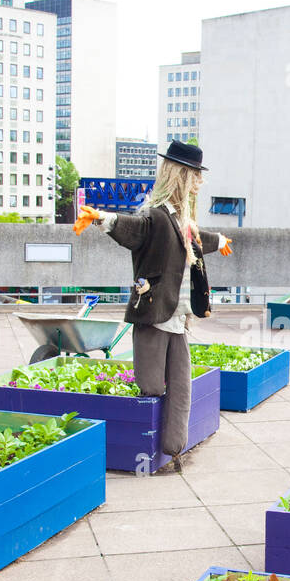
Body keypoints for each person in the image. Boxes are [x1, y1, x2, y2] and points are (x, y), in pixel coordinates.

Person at [76, 141, 232, 472]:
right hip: (153, 315)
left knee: (181, 387)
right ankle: (140, 447)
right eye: (196, 176)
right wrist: (101, 217)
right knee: (151, 385)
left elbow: (196, 237)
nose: (200, 184)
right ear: (182, 176)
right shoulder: (156, 216)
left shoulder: (182, 221)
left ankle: (172, 450)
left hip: (178, 318)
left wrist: (220, 241)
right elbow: (135, 229)